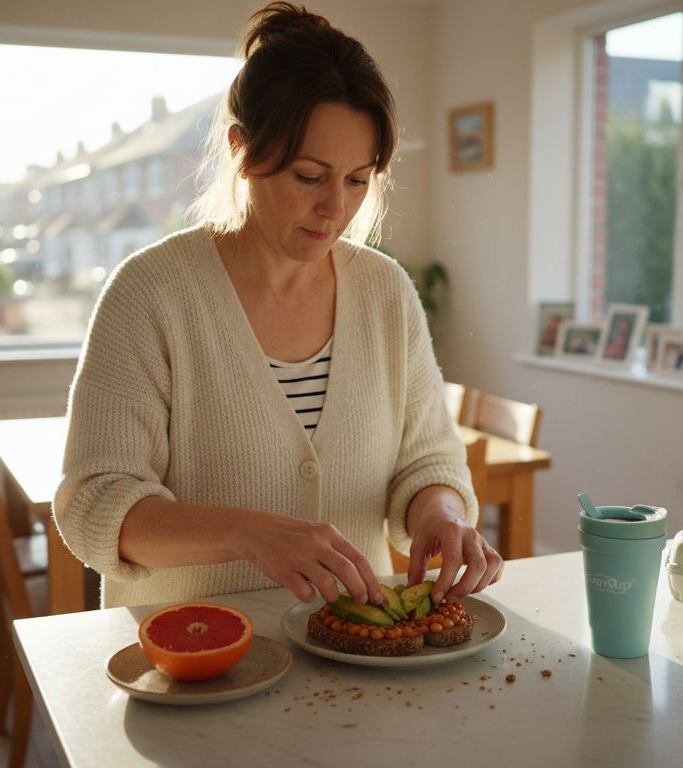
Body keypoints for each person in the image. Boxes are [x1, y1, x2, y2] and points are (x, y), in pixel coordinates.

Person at [54, 2, 503, 610]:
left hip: (355, 647)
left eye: (357, 180)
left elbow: (427, 465)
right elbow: (94, 505)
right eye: (309, 176)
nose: (335, 208)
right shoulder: (151, 294)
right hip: (195, 649)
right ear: (241, 149)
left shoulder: (386, 293)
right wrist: (246, 533)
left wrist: (441, 515)